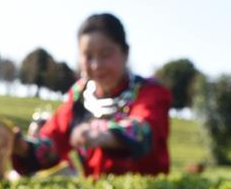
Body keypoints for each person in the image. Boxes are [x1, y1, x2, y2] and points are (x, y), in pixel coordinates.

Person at [11, 13, 172, 178]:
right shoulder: (79, 98)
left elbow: (145, 128)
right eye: (88, 56)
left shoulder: (149, 92)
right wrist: (23, 147)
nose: (96, 65)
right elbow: (52, 140)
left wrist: (105, 134)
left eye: (105, 54)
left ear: (125, 53)